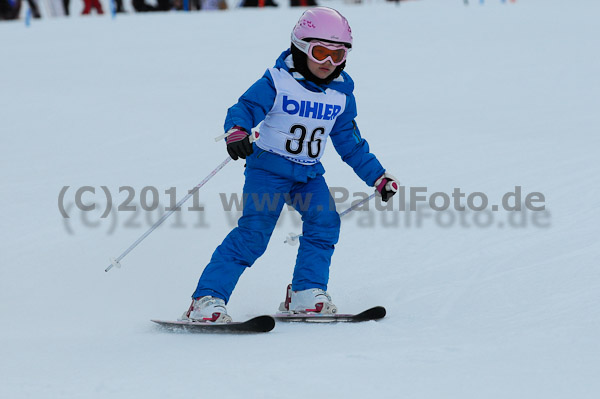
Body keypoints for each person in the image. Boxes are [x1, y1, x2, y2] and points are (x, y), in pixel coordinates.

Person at [182, 7, 399, 323]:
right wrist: (238, 131)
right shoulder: (277, 81)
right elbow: (245, 107)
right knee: (254, 234)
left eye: (337, 56)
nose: (328, 63)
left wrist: (377, 176)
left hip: (308, 174)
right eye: (320, 52)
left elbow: (350, 143)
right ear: (300, 47)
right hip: (268, 170)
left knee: (325, 222)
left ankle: (305, 292)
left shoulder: (340, 93)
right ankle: (206, 299)